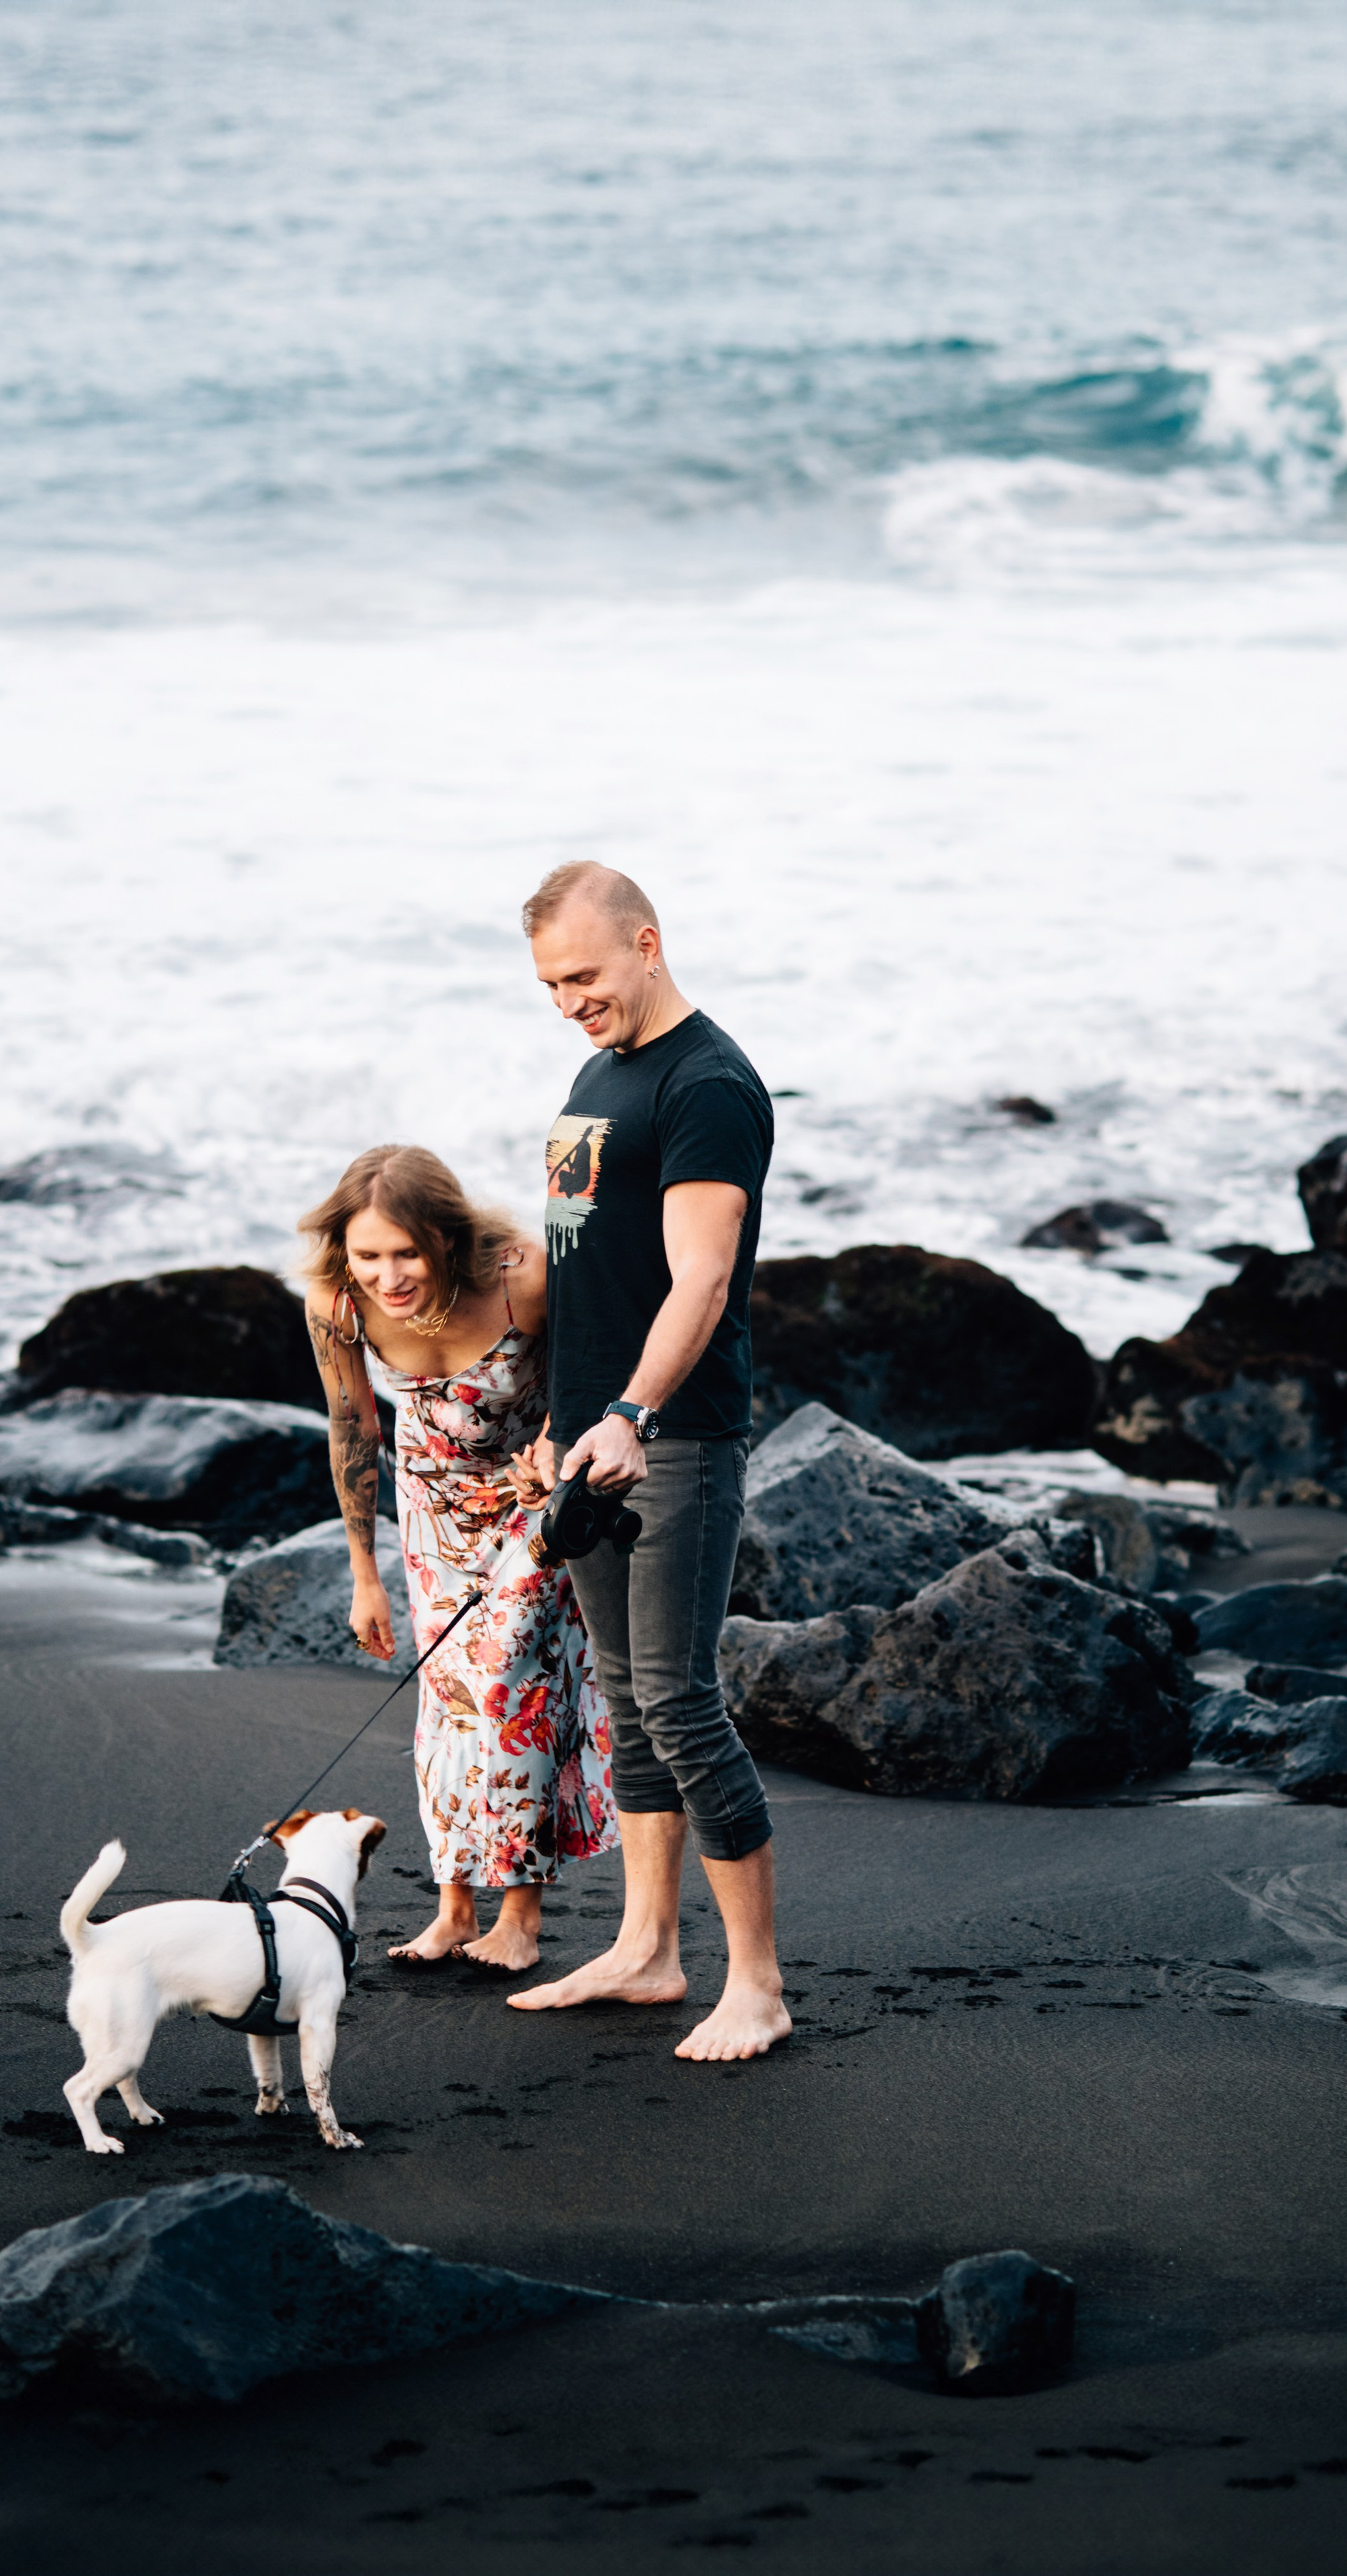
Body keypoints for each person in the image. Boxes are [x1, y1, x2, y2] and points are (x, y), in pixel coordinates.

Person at [506, 861, 791, 2062]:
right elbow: (591, 1268)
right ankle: (647, 1948)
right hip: (594, 1438)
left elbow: (702, 1279)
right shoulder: (596, 1071)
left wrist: (629, 1412)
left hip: (672, 1438)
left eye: (584, 973)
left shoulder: (707, 1083)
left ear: (647, 942)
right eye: (549, 984)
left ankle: (760, 1985)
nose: (569, 999)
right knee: (623, 1698)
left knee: (677, 1699)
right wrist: (559, 1419)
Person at [298, 1144, 617, 1973]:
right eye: (368, 1254)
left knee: (511, 1683)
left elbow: (602, 1367)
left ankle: (519, 1916)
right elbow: (352, 1431)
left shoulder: (523, 1280)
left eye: (406, 1252)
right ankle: (453, 1906)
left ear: (446, 1235)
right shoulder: (337, 1304)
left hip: (531, 1508)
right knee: (446, 1700)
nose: (388, 1275)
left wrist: (553, 1442)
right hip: (431, 1515)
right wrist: (364, 1575)